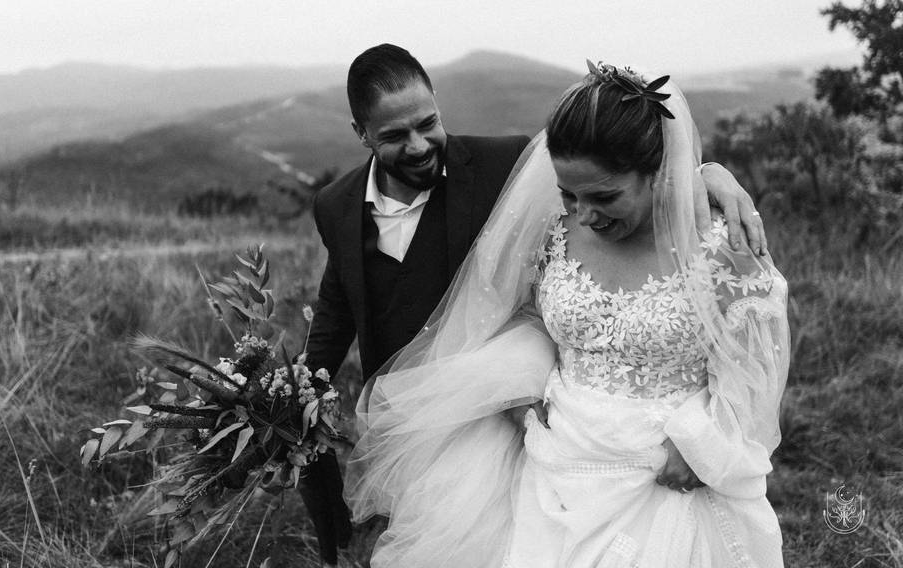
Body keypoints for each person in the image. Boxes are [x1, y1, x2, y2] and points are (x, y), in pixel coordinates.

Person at [302, 44, 767, 567]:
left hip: (609, 450)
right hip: (446, 419)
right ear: (361, 133)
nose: (417, 145)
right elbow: (336, 307)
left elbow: (613, 166)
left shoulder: (507, 165)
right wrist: (291, 397)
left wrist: (706, 173)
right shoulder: (335, 205)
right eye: (392, 136)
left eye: (426, 123)